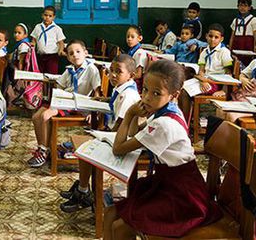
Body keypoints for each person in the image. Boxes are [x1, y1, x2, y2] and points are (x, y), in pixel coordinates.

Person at [103, 60, 221, 239]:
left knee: (120, 226)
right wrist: (135, 116)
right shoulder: (166, 110)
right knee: (111, 213)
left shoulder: (164, 124)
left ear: (174, 95)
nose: (146, 98)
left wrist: (129, 114)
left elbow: (118, 149)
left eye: (156, 93)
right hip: (166, 182)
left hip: (182, 194)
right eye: (145, 90)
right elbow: (135, 134)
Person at [59, 55, 140, 212]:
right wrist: (107, 99)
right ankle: (83, 188)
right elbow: (116, 105)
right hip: (117, 135)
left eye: (118, 72)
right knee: (84, 146)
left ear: (131, 75)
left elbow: (121, 124)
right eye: (111, 71)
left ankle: (83, 192)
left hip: (123, 141)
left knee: (86, 147)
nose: (113, 75)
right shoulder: (122, 88)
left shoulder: (128, 95)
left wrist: (103, 137)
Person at [29, 40, 100, 168]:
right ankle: (43, 148)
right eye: (71, 53)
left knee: (45, 115)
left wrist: (93, 112)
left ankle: (44, 151)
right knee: (35, 117)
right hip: (65, 101)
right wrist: (56, 98)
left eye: (78, 52)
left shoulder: (91, 69)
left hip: (77, 105)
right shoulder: (70, 70)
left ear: (85, 53)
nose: (75, 55)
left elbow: (97, 92)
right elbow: (59, 85)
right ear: (68, 57)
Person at [196, 24, 233, 96]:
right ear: (206, 36)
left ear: (221, 39)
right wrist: (202, 81)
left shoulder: (224, 51)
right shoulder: (204, 52)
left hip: (217, 83)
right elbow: (201, 70)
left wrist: (223, 91)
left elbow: (228, 73)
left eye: (216, 37)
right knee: (183, 88)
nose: (212, 39)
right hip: (205, 80)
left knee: (188, 92)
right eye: (210, 36)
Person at [30, 5, 66, 74]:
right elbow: (34, 39)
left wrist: (61, 50)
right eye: (45, 15)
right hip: (40, 56)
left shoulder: (57, 29)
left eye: (50, 16)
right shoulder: (38, 27)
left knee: (51, 75)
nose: (47, 17)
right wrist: (32, 46)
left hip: (52, 56)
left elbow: (61, 42)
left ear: (54, 17)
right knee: (40, 74)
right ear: (42, 15)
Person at [228, 0, 256, 65]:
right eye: (240, 5)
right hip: (236, 46)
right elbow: (232, 36)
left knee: (248, 64)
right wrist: (230, 49)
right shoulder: (235, 20)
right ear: (238, 7)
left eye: (245, 6)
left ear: (249, 7)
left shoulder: (254, 20)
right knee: (236, 64)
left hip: (248, 46)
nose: (242, 8)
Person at [125, 25, 148, 91]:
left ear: (139, 38)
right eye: (128, 36)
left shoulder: (139, 53)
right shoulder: (132, 51)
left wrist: (125, 79)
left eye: (132, 37)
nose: (129, 39)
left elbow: (138, 74)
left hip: (136, 86)